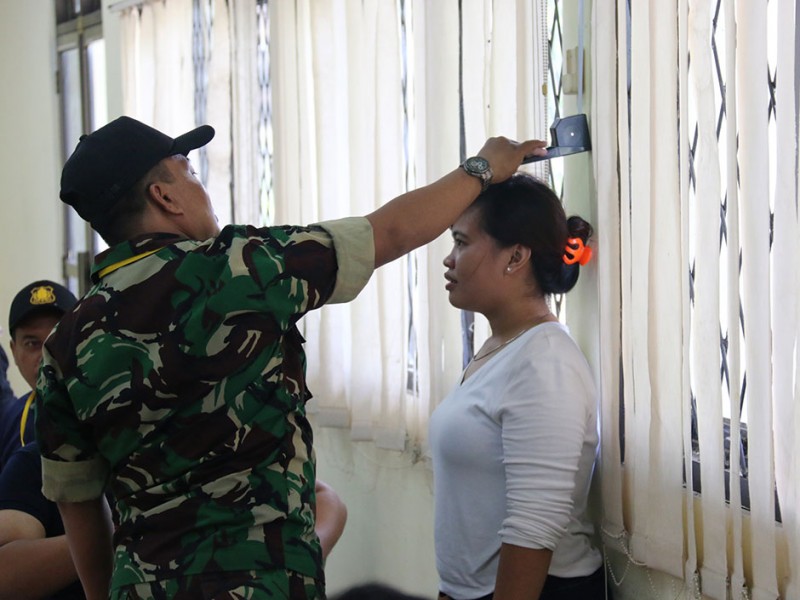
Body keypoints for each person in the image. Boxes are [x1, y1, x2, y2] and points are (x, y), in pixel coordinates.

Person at [34, 115, 547, 600]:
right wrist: (481, 169)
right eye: (189, 173)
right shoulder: (241, 270)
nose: (200, 188)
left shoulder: (66, 344)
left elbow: (77, 505)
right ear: (163, 196)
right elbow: (387, 233)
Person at [429, 173, 606, 600]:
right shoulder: (501, 345)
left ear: (515, 257)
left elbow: (534, 529)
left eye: (462, 242)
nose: (448, 260)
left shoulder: (545, 363)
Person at [0, 280, 77, 472]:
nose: (45, 357)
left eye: (57, 339)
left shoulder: (111, 412)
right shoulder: (9, 424)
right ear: (14, 351)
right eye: (32, 344)